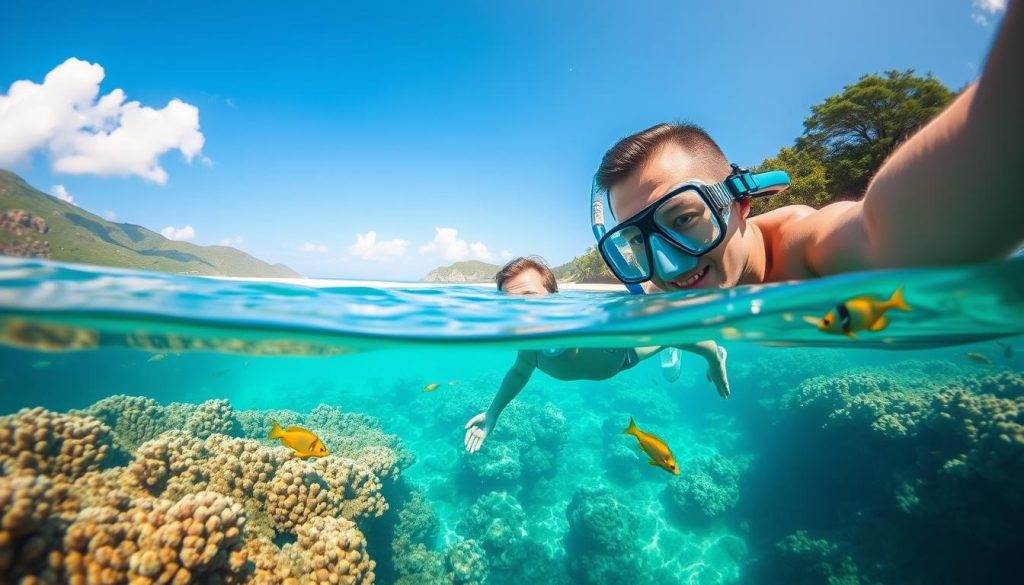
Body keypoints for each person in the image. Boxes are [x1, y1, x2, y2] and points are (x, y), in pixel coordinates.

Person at [589, 0, 1024, 293]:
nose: (670, 266)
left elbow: (882, 234)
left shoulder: (808, 250)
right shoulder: (671, 275)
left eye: (683, 218)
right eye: (638, 243)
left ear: (742, 203)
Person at [463, 257, 728, 453]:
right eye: (510, 305)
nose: (523, 313)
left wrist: (713, 357)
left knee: (664, 339)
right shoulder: (530, 347)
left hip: (625, 356)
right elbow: (519, 373)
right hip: (614, 363)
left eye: (531, 297)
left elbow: (675, 330)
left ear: (556, 298)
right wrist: (493, 413)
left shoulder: (598, 327)